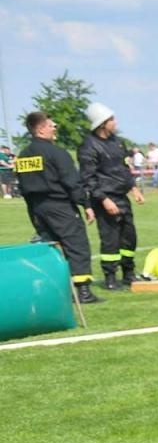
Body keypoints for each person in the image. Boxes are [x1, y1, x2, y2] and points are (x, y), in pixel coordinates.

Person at [16, 111, 99, 303]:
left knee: (49, 247)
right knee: (76, 244)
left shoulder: (23, 155)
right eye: (52, 125)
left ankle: (54, 289)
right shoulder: (57, 153)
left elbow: (23, 185)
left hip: (36, 207)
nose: (55, 129)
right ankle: (83, 292)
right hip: (60, 205)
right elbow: (71, 182)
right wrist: (85, 204)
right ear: (41, 129)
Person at [77, 101, 146, 291]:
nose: (115, 122)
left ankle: (128, 273)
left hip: (122, 197)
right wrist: (104, 199)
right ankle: (110, 277)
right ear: (101, 123)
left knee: (129, 238)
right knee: (110, 240)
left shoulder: (118, 142)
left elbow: (124, 169)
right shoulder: (88, 147)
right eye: (111, 119)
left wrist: (134, 188)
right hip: (104, 199)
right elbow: (88, 179)